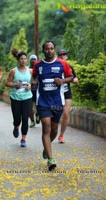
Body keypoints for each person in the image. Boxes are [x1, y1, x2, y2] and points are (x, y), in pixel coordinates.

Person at [32, 41, 73, 171]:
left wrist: (62, 81)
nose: (49, 50)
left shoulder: (63, 64)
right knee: (46, 127)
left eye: (52, 48)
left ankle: (46, 147)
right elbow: (34, 77)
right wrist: (33, 83)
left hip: (57, 101)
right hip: (43, 101)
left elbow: (71, 77)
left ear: (54, 50)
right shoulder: (38, 65)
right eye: (47, 49)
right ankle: (50, 159)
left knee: (54, 130)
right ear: (43, 51)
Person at [5, 49, 33, 147]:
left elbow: (35, 82)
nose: (23, 61)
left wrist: (30, 86)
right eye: (21, 59)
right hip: (15, 97)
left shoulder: (30, 71)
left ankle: (23, 139)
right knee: (17, 118)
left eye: (25, 59)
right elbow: (7, 83)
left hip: (27, 97)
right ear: (18, 60)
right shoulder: (13, 71)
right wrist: (14, 84)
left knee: (25, 118)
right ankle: (16, 126)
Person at [57, 49, 79, 143]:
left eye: (64, 55)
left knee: (65, 114)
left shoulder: (69, 67)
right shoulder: (55, 66)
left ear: (67, 56)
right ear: (58, 57)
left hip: (66, 92)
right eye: (60, 55)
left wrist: (68, 80)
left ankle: (61, 135)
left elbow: (76, 80)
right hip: (55, 93)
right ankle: (51, 131)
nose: (62, 56)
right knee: (55, 114)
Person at [28, 55, 39, 128]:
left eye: (34, 59)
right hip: (29, 90)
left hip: (38, 90)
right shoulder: (27, 69)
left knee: (39, 105)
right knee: (29, 107)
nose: (33, 60)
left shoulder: (39, 68)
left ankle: (38, 115)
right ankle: (32, 121)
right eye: (31, 59)